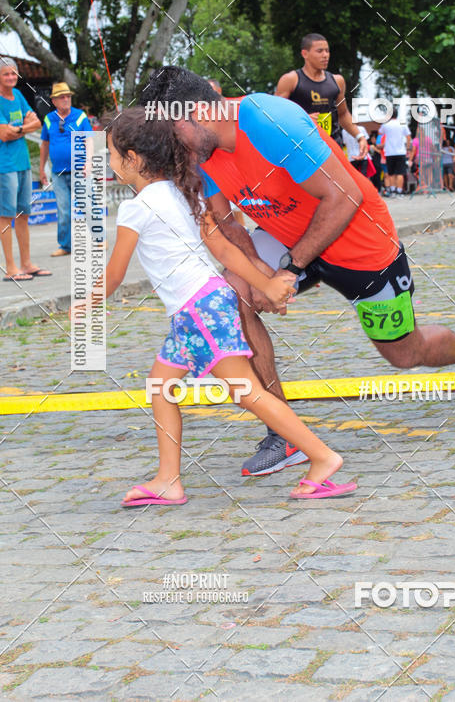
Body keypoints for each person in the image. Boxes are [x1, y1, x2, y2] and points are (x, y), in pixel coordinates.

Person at [139, 67, 455, 477]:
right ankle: (283, 431)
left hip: (357, 239)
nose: (169, 145)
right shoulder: (197, 152)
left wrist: (289, 270)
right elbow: (226, 225)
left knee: (404, 353)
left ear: (200, 112)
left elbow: (345, 197)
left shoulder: (268, 121)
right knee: (232, 292)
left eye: (171, 131)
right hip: (288, 238)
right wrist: (260, 272)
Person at [71, 108, 355, 502]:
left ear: (132, 159)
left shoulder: (136, 208)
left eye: (112, 154)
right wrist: (267, 284)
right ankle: (168, 480)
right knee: (160, 387)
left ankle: (322, 458)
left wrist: (86, 302)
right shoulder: (184, 191)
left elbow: (116, 274)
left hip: (198, 312)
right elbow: (224, 249)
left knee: (247, 392)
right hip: (202, 306)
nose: (110, 162)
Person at [276, 33, 368, 158]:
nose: (325, 55)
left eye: (327, 51)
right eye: (320, 51)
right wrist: (302, 119)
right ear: (305, 54)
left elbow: (343, 114)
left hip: (332, 147)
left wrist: (360, 136)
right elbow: (275, 116)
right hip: (302, 148)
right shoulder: (290, 80)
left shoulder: (337, 81)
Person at [0, 57, 51, 282]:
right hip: (5, 165)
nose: (11, 77)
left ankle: (26, 263)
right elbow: (4, 134)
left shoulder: (19, 96)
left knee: (23, 214)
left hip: (23, 163)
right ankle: (11, 267)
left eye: (13, 73)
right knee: (5, 215)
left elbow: (38, 122)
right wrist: (24, 126)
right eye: (6, 74)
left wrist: (18, 128)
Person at [40, 82, 93, 257]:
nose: (66, 99)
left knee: (87, 206)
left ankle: (99, 239)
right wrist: (42, 169)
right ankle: (65, 246)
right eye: (61, 97)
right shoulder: (49, 119)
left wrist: (88, 162)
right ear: (54, 101)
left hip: (80, 170)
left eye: (68, 96)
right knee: (63, 210)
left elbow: (89, 140)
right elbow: (44, 144)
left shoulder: (80, 116)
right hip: (58, 173)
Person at [378, 108, 412, 196]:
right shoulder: (402, 123)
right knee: (400, 173)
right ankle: (399, 191)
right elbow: (408, 136)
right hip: (401, 152)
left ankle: (393, 191)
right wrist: (408, 148)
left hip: (389, 152)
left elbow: (380, 132)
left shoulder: (385, 125)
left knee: (391, 173)